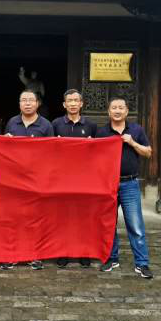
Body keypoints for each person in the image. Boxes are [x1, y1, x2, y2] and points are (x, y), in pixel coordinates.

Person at [96, 96, 154, 279]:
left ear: (127, 111)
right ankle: (111, 258)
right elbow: (94, 157)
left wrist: (132, 142)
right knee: (108, 224)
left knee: (135, 225)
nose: (117, 110)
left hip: (130, 183)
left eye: (121, 107)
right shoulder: (102, 132)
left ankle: (142, 263)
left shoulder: (136, 130)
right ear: (109, 111)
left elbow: (148, 152)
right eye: (114, 107)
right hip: (108, 184)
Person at [3, 89, 53, 270]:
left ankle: (35, 255)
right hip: (14, 178)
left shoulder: (46, 125)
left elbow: (52, 152)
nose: (27, 103)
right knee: (14, 218)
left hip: (36, 179)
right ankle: (13, 254)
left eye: (31, 100)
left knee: (35, 219)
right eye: (23, 100)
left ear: (37, 103)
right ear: (19, 104)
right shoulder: (12, 123)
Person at [52, 89, 97, 268]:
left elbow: (99, 152)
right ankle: (63, 252)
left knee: (83, 216)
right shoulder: (55, 124)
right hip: (61, 177)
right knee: (62, 217)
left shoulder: (91, 125)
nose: (72, 103)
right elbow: (46, 150)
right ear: (64, 104)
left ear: (81, 104)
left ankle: (84, 252)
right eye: (69, 101)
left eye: (75, 100)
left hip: (84, 178)